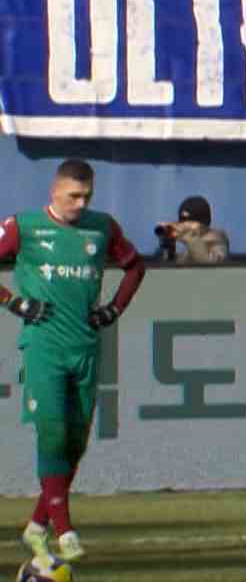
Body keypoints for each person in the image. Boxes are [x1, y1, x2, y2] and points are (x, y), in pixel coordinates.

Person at [1, 159, 145, 563]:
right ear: (55, 192)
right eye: (74, 196)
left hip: (85, 347)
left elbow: (135, 268)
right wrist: (14, 302)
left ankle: (36, 525)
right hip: (43, 347)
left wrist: (113, 309)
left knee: (75, 442)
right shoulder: (24, 226)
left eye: (87, 196)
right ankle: (64, 529)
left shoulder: (102, 228)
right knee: (51, 432)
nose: (81, 204)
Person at [155, 195, 231, 264]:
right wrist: (169, 247)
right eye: (182, 222)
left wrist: (188, 236)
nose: (185, 225)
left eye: (190, 222)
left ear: (202, 224)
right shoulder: (185, 246)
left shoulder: (218, 239)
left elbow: (208, 264)